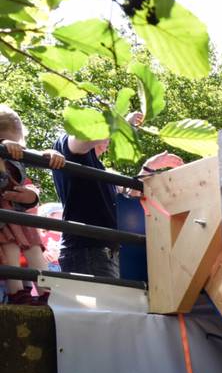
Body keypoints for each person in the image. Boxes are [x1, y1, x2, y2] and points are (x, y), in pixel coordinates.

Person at [52, 112, 182, 278]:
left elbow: (128, 201)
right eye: (103, 129)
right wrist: (120, 124)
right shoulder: (67, 145)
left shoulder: (100, 169)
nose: (108, 138)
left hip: (105, 252)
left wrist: (148, 168)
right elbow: (82, 139)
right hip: (87, 250)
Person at [0, 106, 66, 304]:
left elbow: (31, 189)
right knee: (8, 245)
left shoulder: (17, 158)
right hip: (4, 215)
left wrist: (50, 154)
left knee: (33, 245)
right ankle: (16, 292)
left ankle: (47, 291)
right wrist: (3, 145)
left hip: (17, 213)